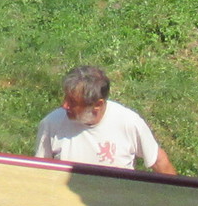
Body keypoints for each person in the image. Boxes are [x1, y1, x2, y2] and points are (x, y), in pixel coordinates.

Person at [35, 66, 176, 174]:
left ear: (98, 104)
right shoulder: (51, 124)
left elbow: (159, 162)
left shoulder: (128, 122)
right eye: (65, 97)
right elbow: (39, 172)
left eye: (73, 102)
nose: (64, 105)